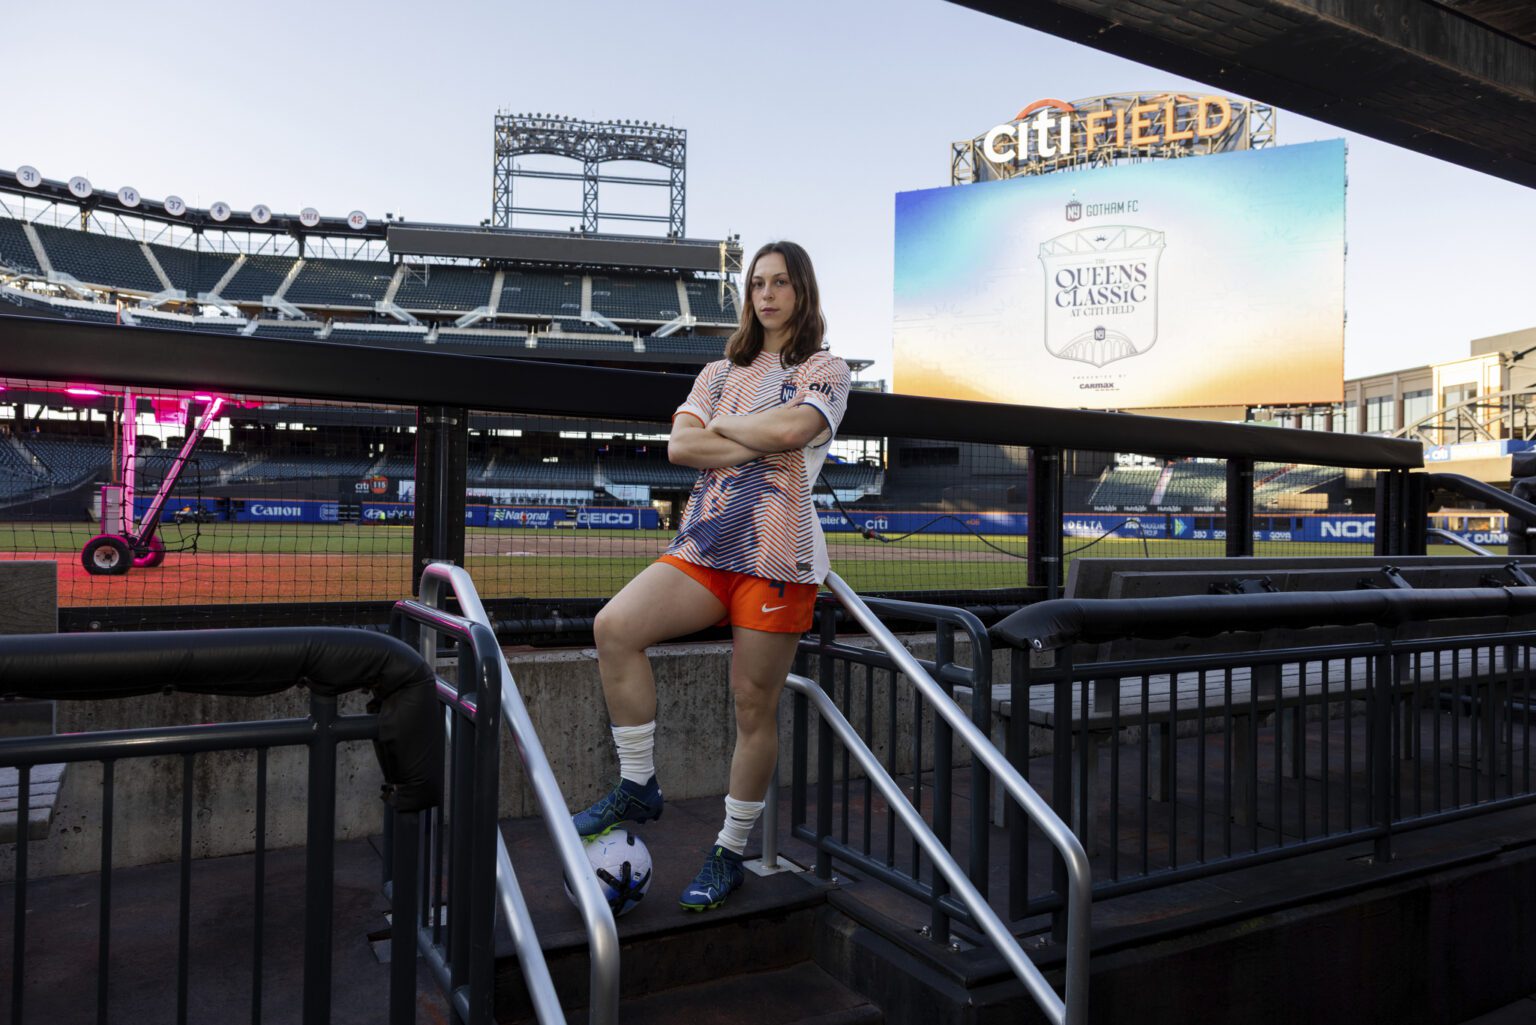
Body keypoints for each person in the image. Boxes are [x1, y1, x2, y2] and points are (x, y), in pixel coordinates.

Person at [571, 240, 851, 911]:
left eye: (780, 282)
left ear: (801, 291)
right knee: (615, 627)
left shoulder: (827, 367)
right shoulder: (720, 368)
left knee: (752, 706)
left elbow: (799, 427)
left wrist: (730, 430)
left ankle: (728, 849)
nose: (767, 294)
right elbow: (680, 445)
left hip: (778, 556)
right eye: (757, 283)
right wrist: (753, 429)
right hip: (704, 544)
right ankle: (637, 781)